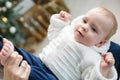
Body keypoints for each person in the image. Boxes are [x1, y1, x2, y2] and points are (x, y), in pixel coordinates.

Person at [0, 7, 118, 80]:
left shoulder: (92, 57)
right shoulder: (68, 31)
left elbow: (92, 78)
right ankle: (10, 54)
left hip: (53, 77)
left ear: (100, 43)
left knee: (32, 73)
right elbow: (53, 35)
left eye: (94, 29)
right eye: (85, 21)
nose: (84, 27)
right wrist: (59, 22)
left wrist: (103, 70)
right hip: (40, 61)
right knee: (24, 55)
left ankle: (10, 61)